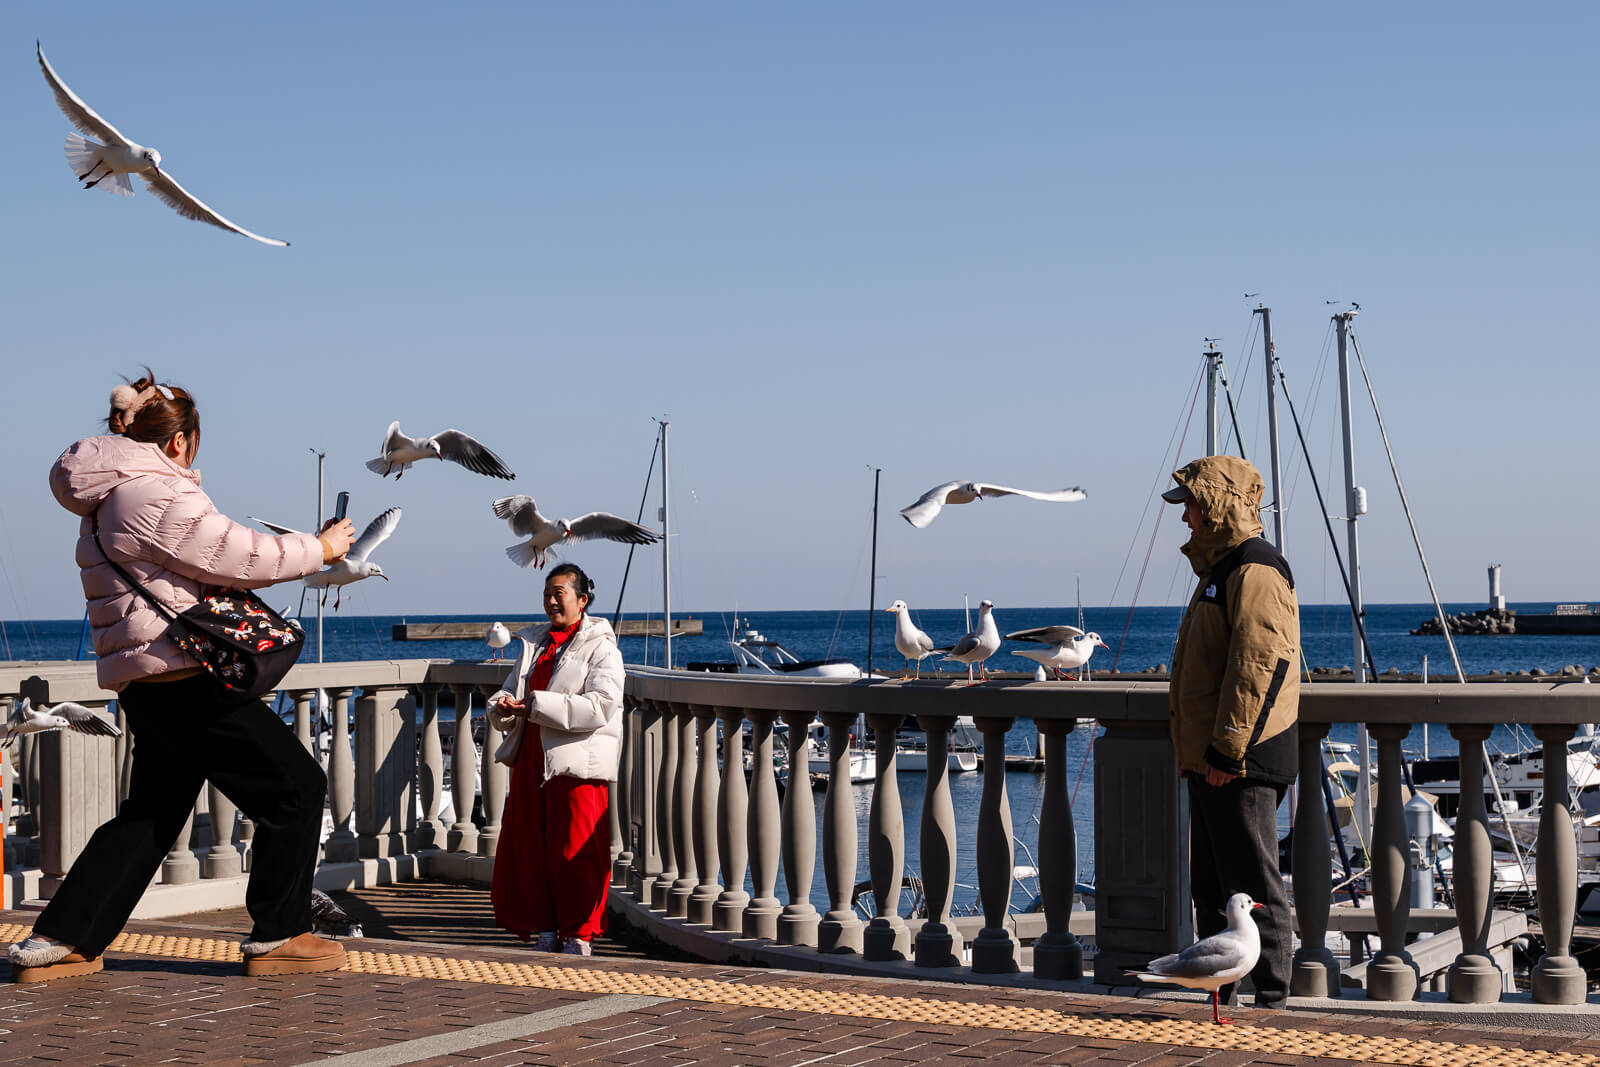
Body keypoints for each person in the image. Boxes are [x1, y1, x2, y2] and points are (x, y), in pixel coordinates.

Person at [8, 372, 358, 983]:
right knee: (296, 787)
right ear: (179, 442)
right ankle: (280, 933)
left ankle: (63, 938)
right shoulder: (151, 493)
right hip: (186, 676)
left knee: (151, 812)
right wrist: (321, 548)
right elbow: (244, 553)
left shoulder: (104, 498)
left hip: (144, 680)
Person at [1163, 454, 1299, 1010]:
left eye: (1191, 505)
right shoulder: (1223, 569)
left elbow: (1261, 664)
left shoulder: (1255, 568)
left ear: (1219, 505)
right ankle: (1226, 996)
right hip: (1215, 756)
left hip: (1241, 757)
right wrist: (1197, 751)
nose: (1185, 518)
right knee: (1217, 888)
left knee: (1253, 887)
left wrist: (1224, 748)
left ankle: (1270, 998)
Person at [487, 562, 624, 955]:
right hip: (532, 757)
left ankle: (578, 934)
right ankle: (546, 927)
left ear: (582, 600)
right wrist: (502, 706)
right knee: (532, 848)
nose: (551, 601)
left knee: (576, 850)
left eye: (559, 593)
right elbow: (509, 690)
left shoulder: (601, 646)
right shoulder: (537, 643)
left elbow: (600, 706)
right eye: (547, 594)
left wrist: (535, 704)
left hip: (575, 762)